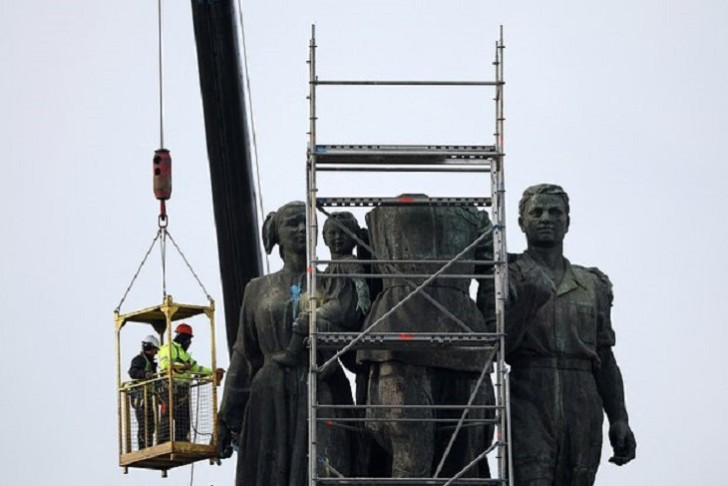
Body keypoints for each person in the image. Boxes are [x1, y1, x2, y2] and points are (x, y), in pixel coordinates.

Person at [506, 183, 636, 485]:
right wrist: (526, 300)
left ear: (568, 221)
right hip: (529, 391)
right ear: (521, 222)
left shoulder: (592, 284)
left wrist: (619, 416)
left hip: (583, 396)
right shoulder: (508, 275)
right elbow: (497, 347)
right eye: (536, 212)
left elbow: (604, 356)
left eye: (555, 212)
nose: (546, 218)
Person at [218, 201, 354, 486]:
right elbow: (244, 356)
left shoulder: (332, 280)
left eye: (308, 223)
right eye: (292, 223)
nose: (303, 229)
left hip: (321, 389)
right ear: (277, 234)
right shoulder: (257, 289)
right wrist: (227, 416)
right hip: (270, 396)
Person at [357, 201, 495, 478]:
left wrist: (492, 327)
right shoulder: (381, 220)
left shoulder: (476, 221)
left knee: (458, 459)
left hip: (458, 343)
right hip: (402, 339)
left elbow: (493, 278)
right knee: (415, 457)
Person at [158, 323, 224, 442]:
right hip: (169, 387)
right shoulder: (168, 348)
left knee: (183, 418)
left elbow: (196, 368)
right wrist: (183, 366)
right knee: (167, 415)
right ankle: (163, 441)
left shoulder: (185, 354)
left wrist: (212, 372)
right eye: (188, 340)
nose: (189, 343)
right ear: (183, 338)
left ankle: (182, 440)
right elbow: (165, 365)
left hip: (182, 390)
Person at [128, 334, 160, 450]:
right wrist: (144, 375)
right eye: (155, 350)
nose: (155, 353)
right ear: (149, 348)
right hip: (139, 396)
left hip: (148, 396)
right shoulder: (140, 360)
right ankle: (143, 448)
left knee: (150, 424)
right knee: (144, 423)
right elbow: (132, 372)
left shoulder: (151, 363)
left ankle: (149, 446)